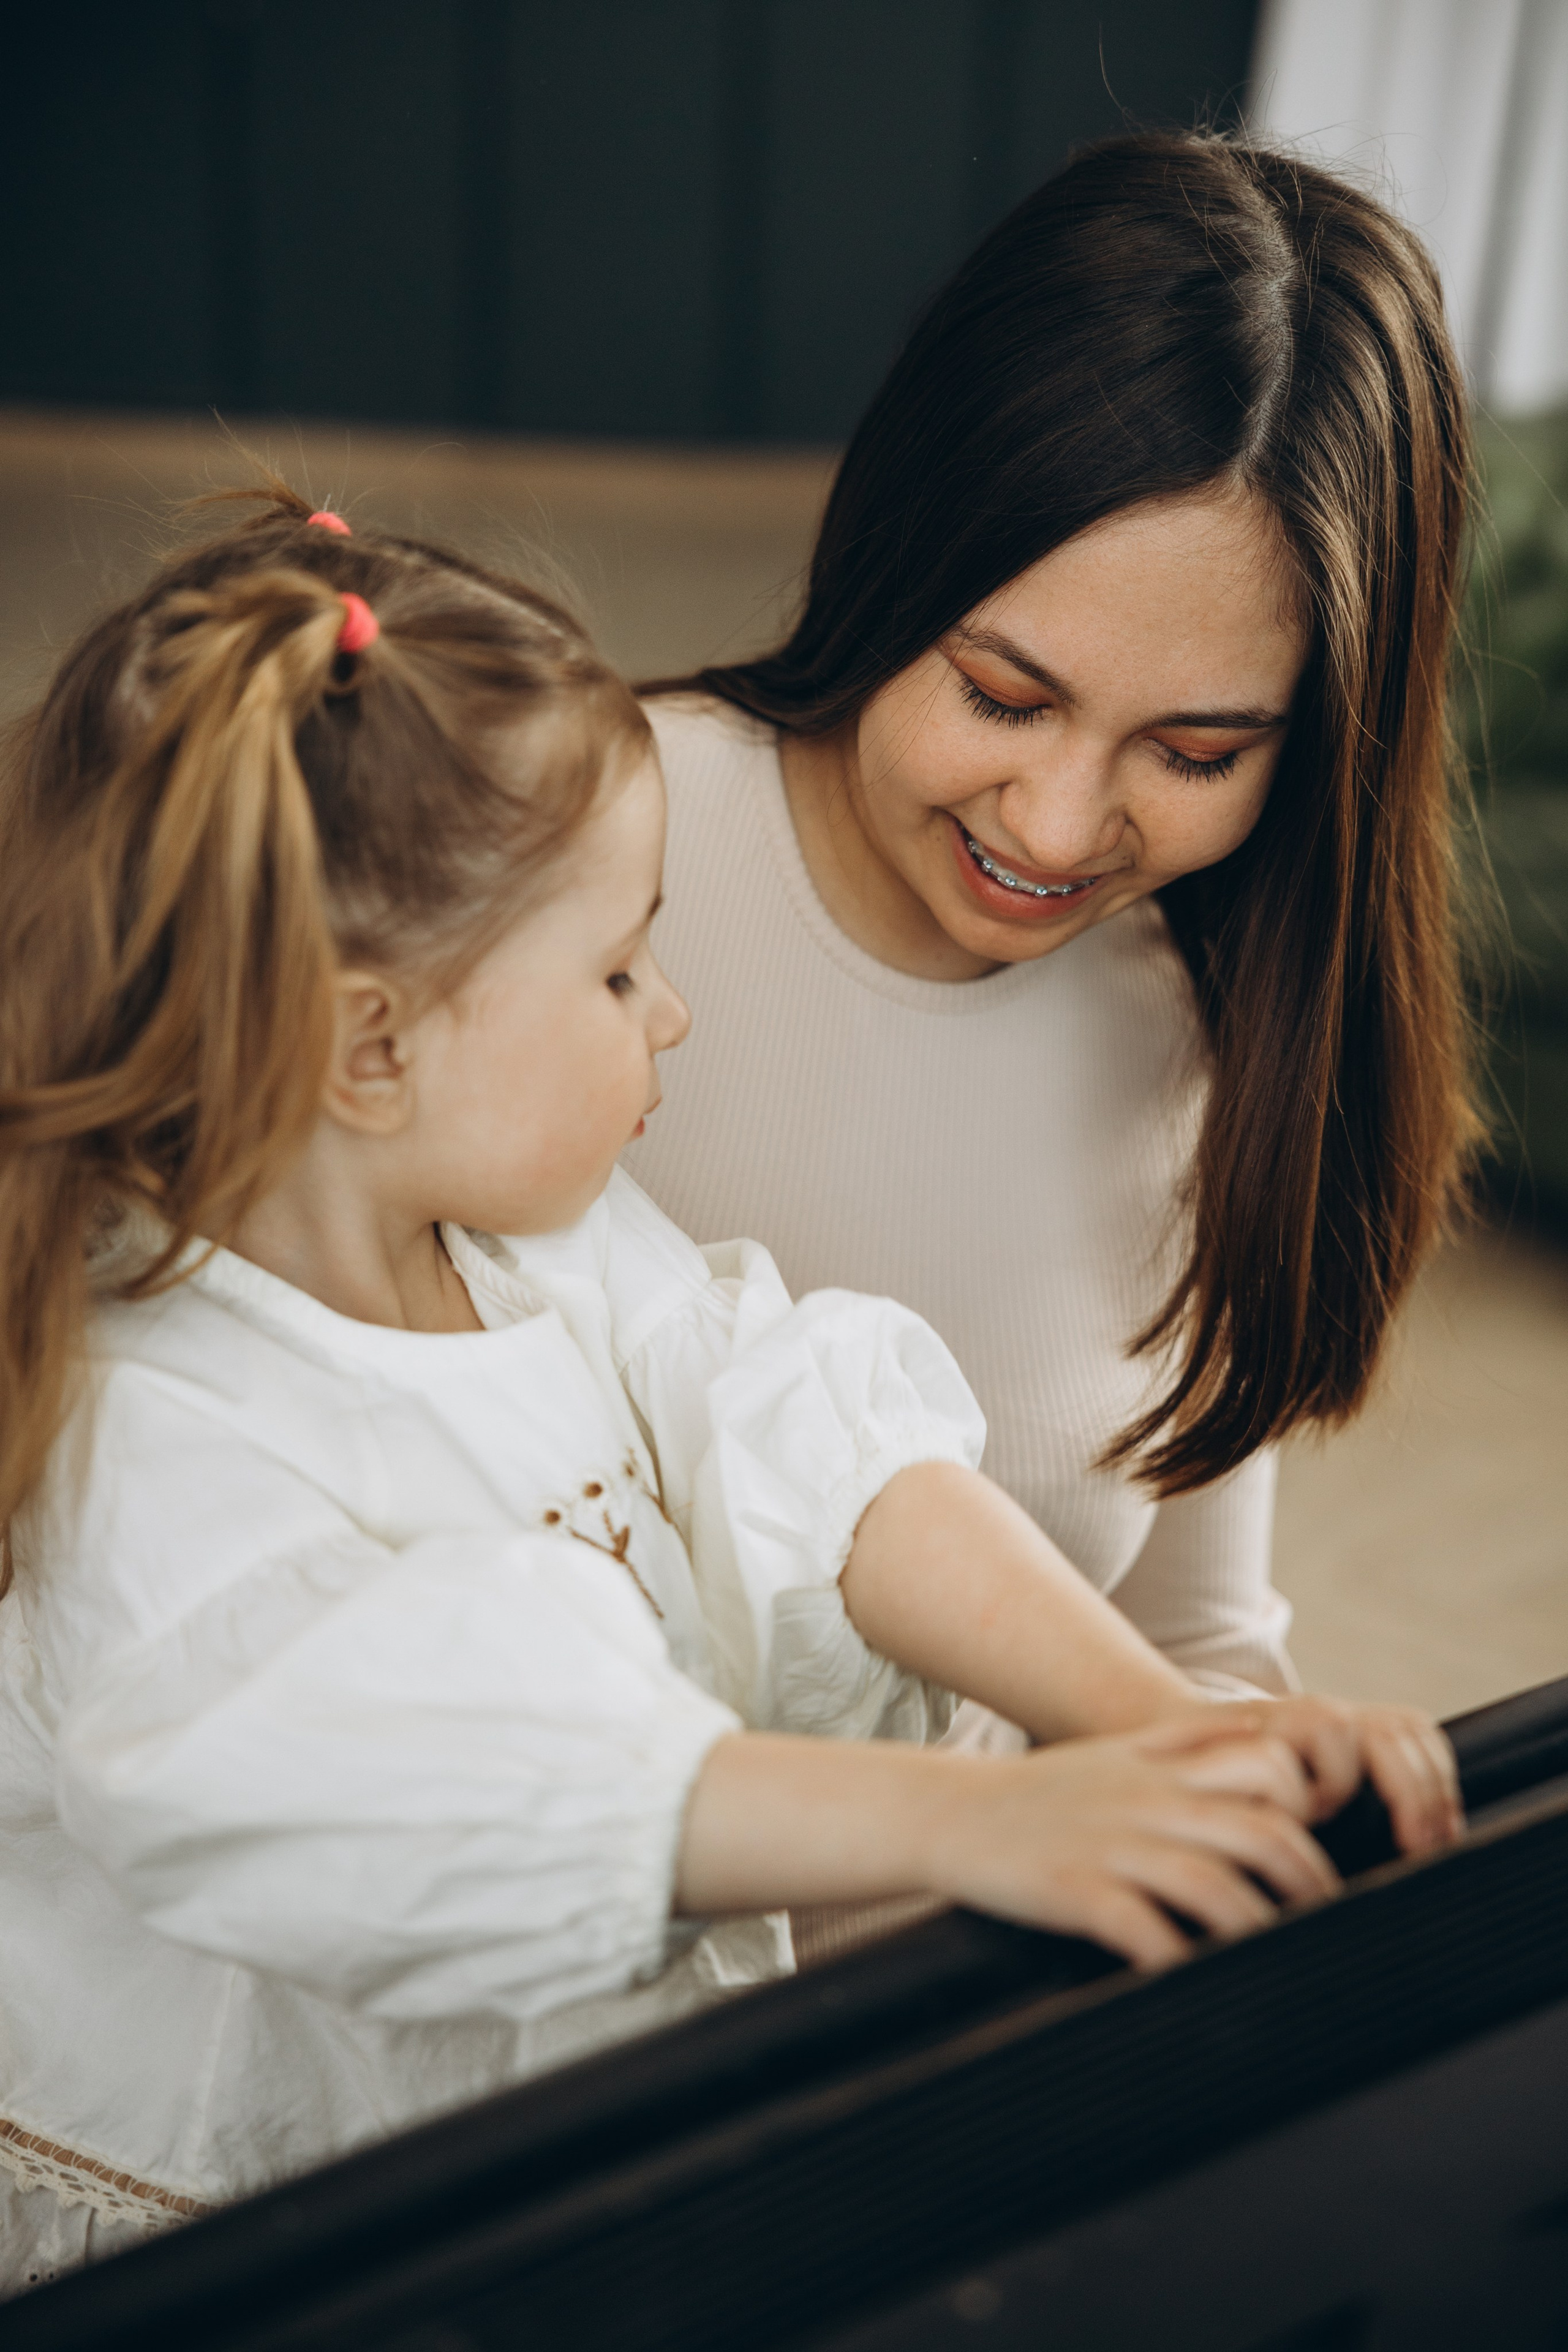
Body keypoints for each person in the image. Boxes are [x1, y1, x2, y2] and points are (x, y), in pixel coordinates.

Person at [0, 489, 1455, 2291]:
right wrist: (982, 1823)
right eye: (617, 971)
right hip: (279, 2259)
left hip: (564, 2174)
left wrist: (1155, 1722)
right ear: (371, 1047)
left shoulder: (542, 1241)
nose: (672, 1015)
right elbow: (429, 1772)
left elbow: (803, 1434)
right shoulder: (148, 1424)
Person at [630, 130, 1480, 1757]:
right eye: (1005, 696)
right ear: (898, 553)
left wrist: (1273, 1770)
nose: (1059, 823)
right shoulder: (564, 856)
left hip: (971, 1999)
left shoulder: (1224, 1033)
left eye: (1197, 753)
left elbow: (1188, 1646)